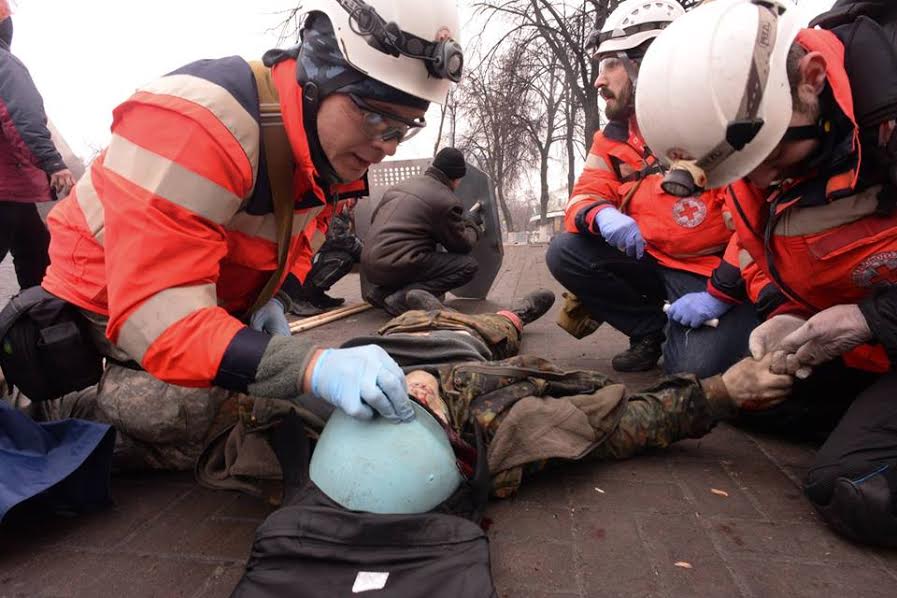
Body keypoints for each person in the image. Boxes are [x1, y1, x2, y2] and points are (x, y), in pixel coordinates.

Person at [34, 0, 463, 470]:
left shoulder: (330, 153)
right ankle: (63, 407)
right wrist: (307, 366)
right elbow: (160, 316)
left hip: (201, 287)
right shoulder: (198, 124)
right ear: (320, 75)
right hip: (108, 293)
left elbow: (302, 240)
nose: (387, 146)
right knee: (197, 414)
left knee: (262, 393)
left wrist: (271, 301)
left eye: (405, 128)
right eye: (377, 118)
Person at [635, 0, 897, 546]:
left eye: (771, 163)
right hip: (872, 346)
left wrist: (873, 318)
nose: (761, 183)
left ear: (812, 82)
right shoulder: (753, 140)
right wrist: (784, 310)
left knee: (848, 488)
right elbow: (762, 250)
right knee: (745, 400)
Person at [545, 0, 757, 375]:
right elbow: (583, 197)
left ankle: (718, 325)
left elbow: (753, 225)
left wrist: (719, 293)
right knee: (565, 252)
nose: (598, 80)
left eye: (610, 64)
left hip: (709, 272)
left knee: (693, 370)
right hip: (651, 260)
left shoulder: (717, 128)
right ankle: (649, 329)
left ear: (648, 63)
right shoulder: (611, 139)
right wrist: (602, 215)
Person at [0, 2, 75, 289]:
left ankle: (41, 327)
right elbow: (22, 116)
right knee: (39, 265)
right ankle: (47, 326)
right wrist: (52, 162)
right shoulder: (4, 63)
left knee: (37, 258)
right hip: (7, 189)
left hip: (13, 192)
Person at [360, 146, 482, 315]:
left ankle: (382, 294)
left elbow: (375, 220)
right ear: (455, 178)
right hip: (396, 264)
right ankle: (402, 299)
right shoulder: (446, 200)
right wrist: (472, 225)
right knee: (468, 266)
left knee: (418, 256)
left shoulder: (401, 186)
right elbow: (462, 246)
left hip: (368, 265)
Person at [281, 201, 363, 316]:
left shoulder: (343, 208)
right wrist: (367, 254)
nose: (354, 202)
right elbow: (339, 238)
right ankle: (297, 296)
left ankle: (315, 295)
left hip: (311, 251)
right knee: (340, 260)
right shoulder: (334, 205)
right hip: (299, 257)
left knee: (345, 258)